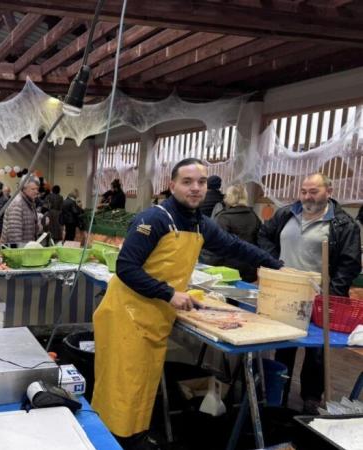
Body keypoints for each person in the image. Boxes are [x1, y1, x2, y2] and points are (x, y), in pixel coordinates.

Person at [92, 158, 282, 449]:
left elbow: (234, 246)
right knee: (121, 382)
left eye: (201, 182)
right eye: (187, 181)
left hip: (154, 315)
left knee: (144, 380)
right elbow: (126, 268)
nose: (195, 188)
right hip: (125, 313)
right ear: (172, 185)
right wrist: (170, 294)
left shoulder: (200, 223)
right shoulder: (153, 219)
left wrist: (275, 265)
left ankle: (135, 433)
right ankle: (112, 438)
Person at [258, 173, 361, 414]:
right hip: (287, 292)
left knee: (316, 351)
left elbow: (350, 263)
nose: (307, 197)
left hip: (320, 298)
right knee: (284, 344)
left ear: (329, 191)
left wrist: (331, 296)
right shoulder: (286, 213)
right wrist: (274, 263)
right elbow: (264, 235)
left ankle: (311, 398)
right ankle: (279, 393)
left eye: (313, 191)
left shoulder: (344, 224)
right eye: (303, 191)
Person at [211, 184, 262, 282]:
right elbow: (259, 243)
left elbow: (217, 246)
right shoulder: (254, 217)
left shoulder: (223, 218)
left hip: (227, 270)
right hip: (249, 267)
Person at [1, 178, 40, 244]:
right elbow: (14, 235)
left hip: (26, 249)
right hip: (18, 251)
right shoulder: (17, 204)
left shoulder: (30, 203)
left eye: (37, 189)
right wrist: (19, 252)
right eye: (33, 189)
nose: (36, 192)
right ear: (24, 189)